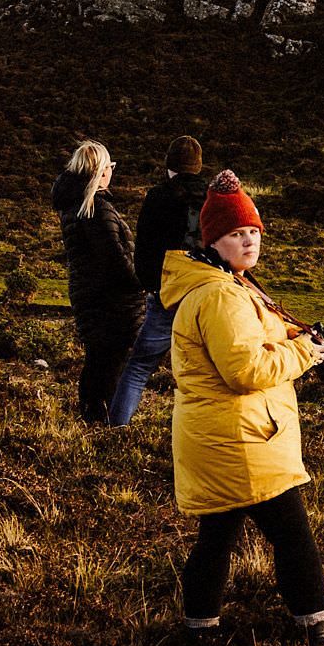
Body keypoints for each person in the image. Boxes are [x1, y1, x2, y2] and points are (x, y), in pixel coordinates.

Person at [160, 170, 324, 646]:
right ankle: (316, 631)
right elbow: (244, 370)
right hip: (243, 439)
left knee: (216, 538)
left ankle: (199, 632)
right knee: (293, 536)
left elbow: (248, 346)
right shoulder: (221, 294)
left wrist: (291, 337)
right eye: (237, 234)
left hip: (225, 435)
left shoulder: (226, 284)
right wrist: (305, 354)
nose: (249, 241)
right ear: (214, 239)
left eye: (254, 232)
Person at [107, 135, 209, 427]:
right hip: (206, 293)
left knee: (139, 366)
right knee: (206, 371)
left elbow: (146, 248)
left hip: (166, 294)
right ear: (198, 166)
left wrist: (152, 285)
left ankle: (117, 428)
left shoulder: (157, 196)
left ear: (169, 166)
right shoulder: (212, 198)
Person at [50, 140, 146, 424]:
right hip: (111, 301)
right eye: (110, 166)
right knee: (109, 363)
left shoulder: (75, 206)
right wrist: (141, 280)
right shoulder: (95, 208)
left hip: (91, 296)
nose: (111, 172)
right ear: (101, 171)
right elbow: (114, 259)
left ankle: (93, 421)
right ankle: (102, 423)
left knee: (99, 360)